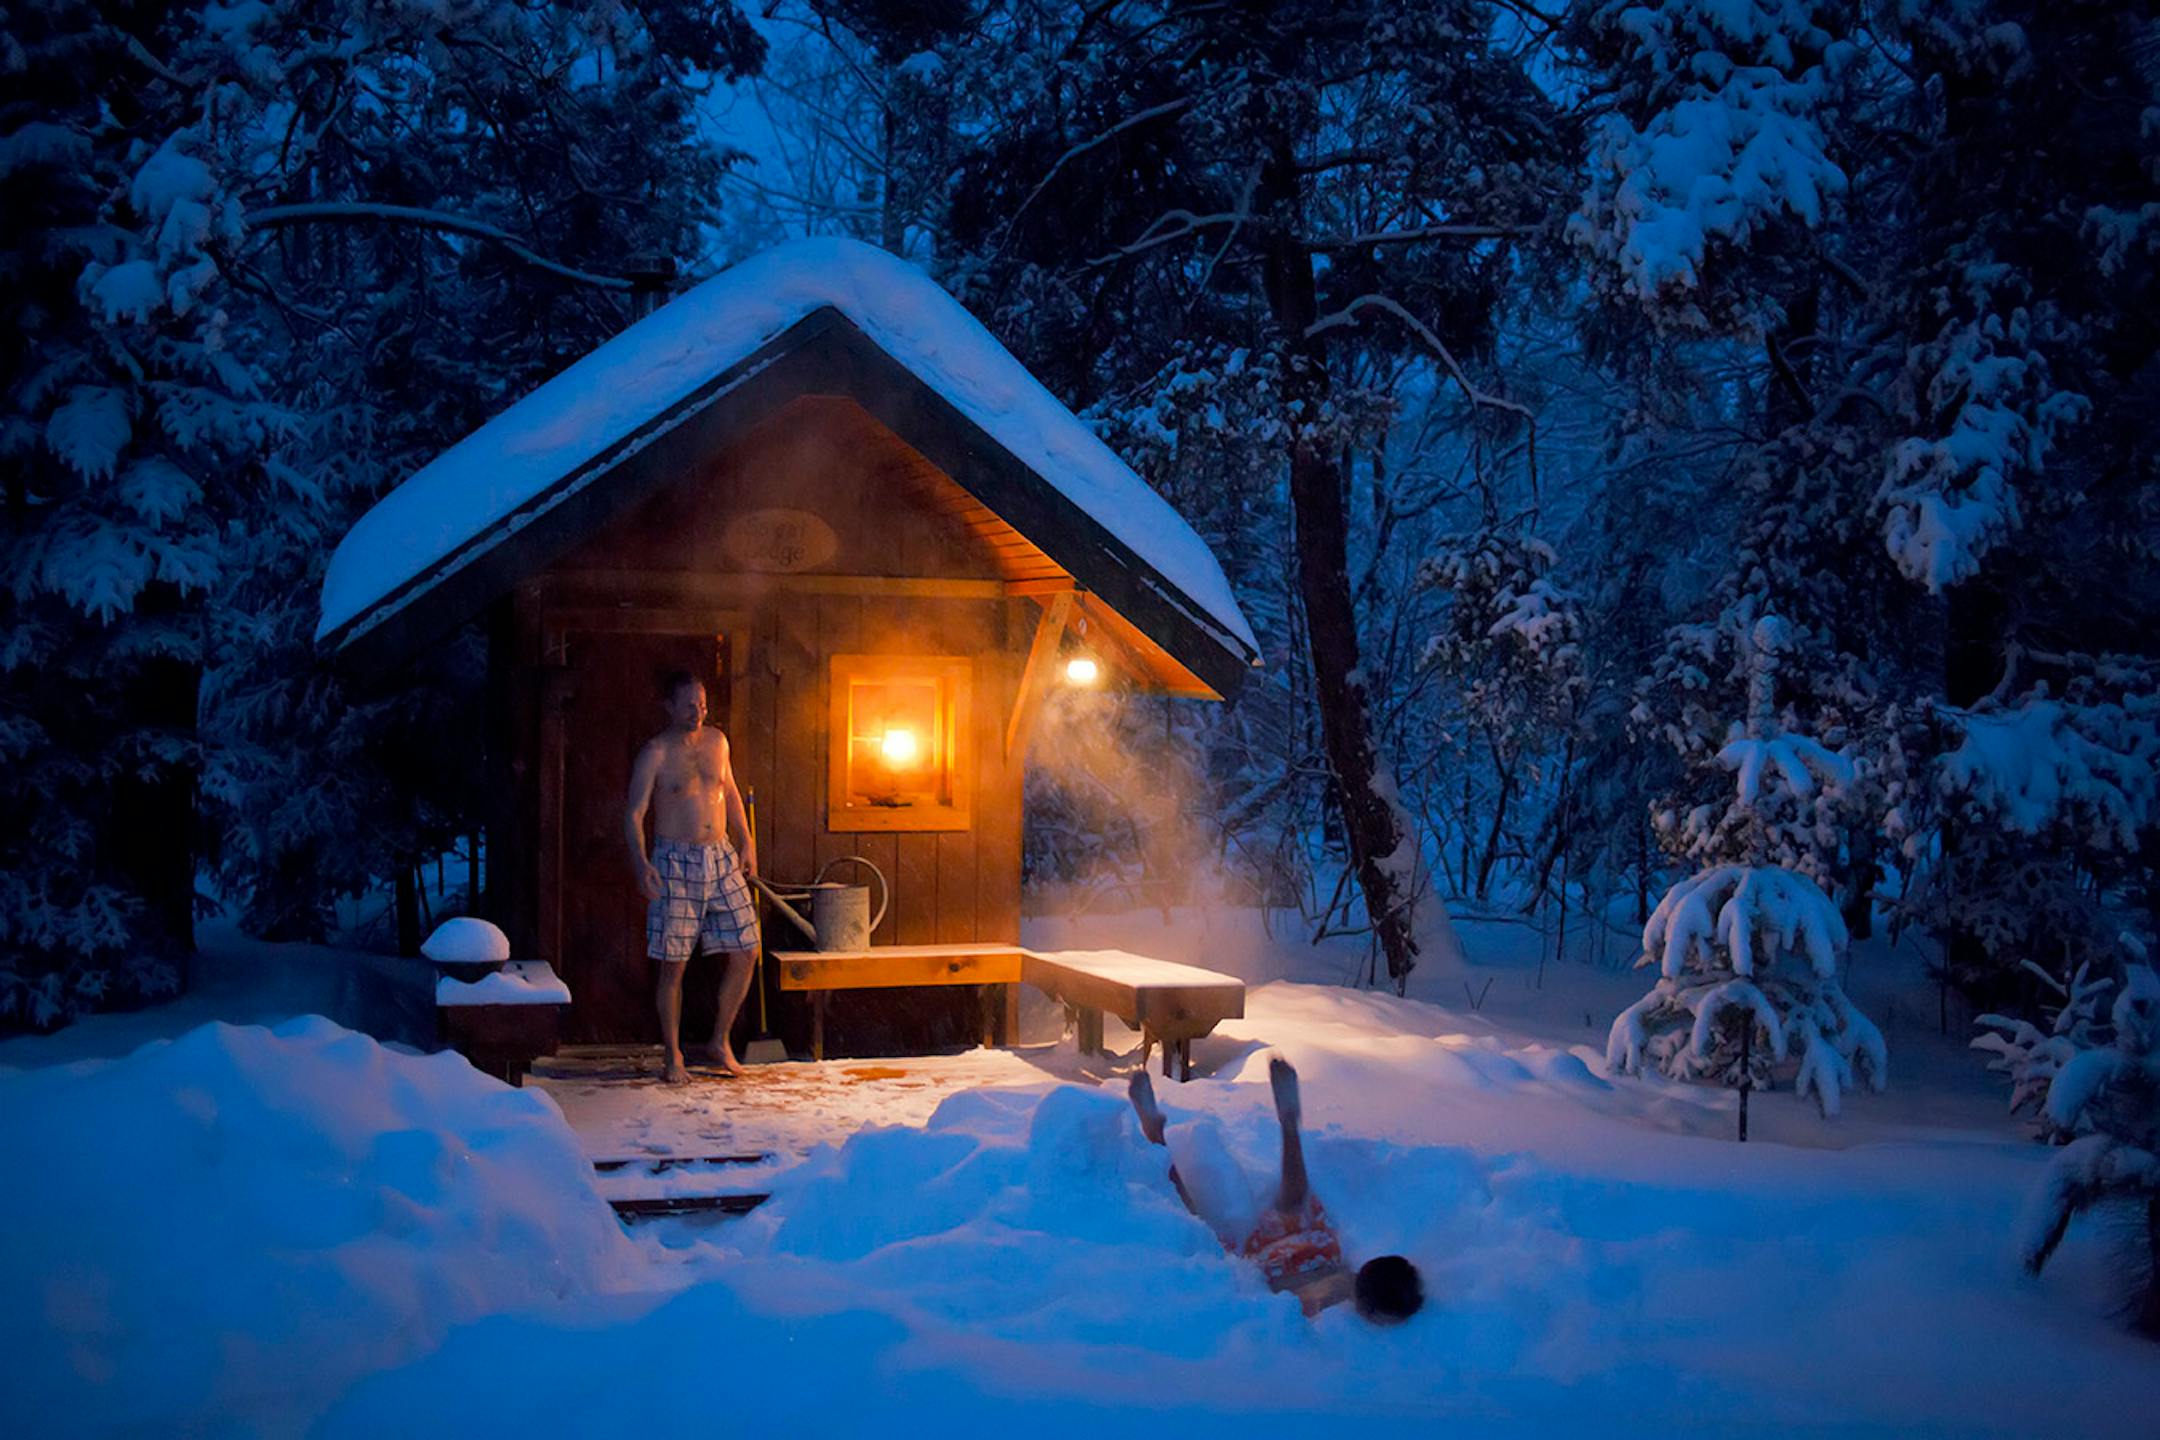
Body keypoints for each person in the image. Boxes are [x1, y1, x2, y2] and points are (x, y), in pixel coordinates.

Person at [1127, 1055, 1424, 1323]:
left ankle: (1289, 1124)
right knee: (1198, 1228)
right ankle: (1155, 1135)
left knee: (1295, 1203)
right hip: (1270, 1269)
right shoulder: (1339, 1313)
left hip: (1317, 1251)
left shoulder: (1357, 1280)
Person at [624, 668, 760, 1083]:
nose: (697, 711)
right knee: (674, 964)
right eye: (687, 704)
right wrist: (641, 863)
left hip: (720, 857)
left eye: (701, 703)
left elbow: (731, 791)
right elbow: (633, 813)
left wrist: (747, 841)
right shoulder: (656, 752)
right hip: (675, 863)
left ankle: (720, 1040)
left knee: (747, 949)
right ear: (669, 706)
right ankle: (673, 1055)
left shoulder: (718, 742)